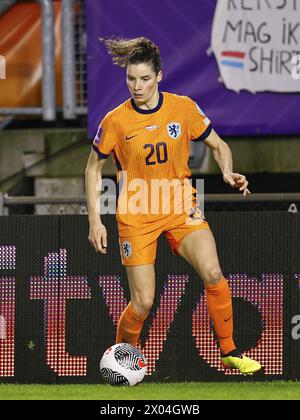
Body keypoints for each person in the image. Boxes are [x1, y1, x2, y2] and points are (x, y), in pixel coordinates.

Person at [85, 37, 261, 375]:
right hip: (136, 214)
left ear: (160, 76)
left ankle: (230, 351)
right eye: (131, 79)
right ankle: (124, 362)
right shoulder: (116, 121)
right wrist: (96, 221)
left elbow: (218, 144)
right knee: (143, 302)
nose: (137, 86)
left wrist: (226, 170)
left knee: (213, 272)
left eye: (145, 79)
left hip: (180, 207)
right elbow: (93, 167)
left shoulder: (183, 108)